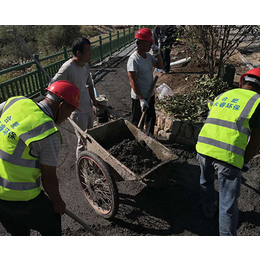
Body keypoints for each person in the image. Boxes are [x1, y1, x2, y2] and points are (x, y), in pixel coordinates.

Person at [0, 80, 80, 236]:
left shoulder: (17, 101)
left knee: (18, 232)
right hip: (21, 197)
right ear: (61, 106)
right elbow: (49, 179)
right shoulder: (49, 134)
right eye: (69, 113)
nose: (66, 119)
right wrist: (58, 203)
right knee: (51, 224)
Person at [196, 68, 260, 236]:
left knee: (206, 181)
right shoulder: (258, 102)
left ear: (242, 81)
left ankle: (208, 211)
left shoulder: (223, 95)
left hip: (203, 148)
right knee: (228, 204)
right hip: (228, 157)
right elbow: (254, 145)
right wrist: (243, 162)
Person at [50, 37, 98, 159]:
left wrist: (94, 101)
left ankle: (91, 161)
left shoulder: (85, 65)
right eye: (88, 51)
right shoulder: (68, 68)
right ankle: (81, 167)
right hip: (77, 111)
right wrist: (63, 104)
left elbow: (90, 83)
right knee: (82, 142)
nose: (90, 53)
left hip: (87, 106)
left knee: (91, 138)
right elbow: (53, 85)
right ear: (78, 53)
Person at [127, 28, 163, 134]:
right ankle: (135, 141)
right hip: (139, 98)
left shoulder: (148, 57)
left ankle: (150, 140)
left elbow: (160, 66)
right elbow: (132, 82)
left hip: (150, 94)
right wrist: (141, 99)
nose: (151, 45)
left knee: (150, 120)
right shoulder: (134, 60)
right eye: (149, 43)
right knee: (136, 122)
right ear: (141, 43)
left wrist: (158, 54)